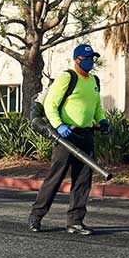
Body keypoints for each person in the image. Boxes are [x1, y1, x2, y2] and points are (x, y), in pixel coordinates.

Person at [28, 44, 110, 235]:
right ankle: (36, 216)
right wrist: (58, 125)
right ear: (76, 60)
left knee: (83, 180)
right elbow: (50, 105)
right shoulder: (67, 77)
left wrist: (103, 121)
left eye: (92, 59)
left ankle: (75, 222)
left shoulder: (94, 80)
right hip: (66, 136)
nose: (90, 62)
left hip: (86, 135)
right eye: (86, 59)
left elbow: (96, 106)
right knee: (55, 178)